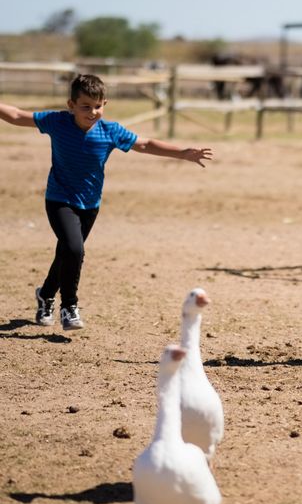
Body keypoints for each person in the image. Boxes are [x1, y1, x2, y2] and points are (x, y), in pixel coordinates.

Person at [0, 73, 213, 331]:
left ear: (105, 104)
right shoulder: (57, 122)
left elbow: (145, 144)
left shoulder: (110, 131)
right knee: (74, 250)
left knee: (68, 252)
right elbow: (16, 115)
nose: (92, 112)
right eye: (85, 106)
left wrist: (182, 153)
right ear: (71, 105)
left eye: (98, 106)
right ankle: (69, 307)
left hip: (90, 205)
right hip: (59, 199)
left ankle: (45, 295)